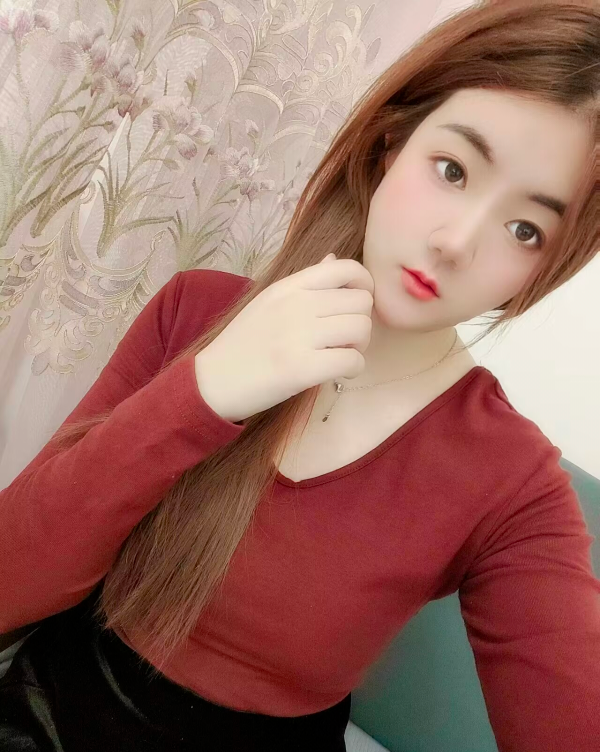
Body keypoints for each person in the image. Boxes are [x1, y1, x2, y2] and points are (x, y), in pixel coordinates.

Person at [1, 1, 599, 750]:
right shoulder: (195, 313)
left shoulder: (513, 482)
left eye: (525, 229)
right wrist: (203, 393)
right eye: (452, 170)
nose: (456, 243)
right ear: (390, 143)